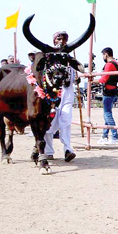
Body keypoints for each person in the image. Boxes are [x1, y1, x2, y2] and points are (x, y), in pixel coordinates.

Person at [43, 31, 79, 162]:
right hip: (51, 96)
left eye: (64, 39)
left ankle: (68, 150)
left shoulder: (69, 59)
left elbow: (77, 72)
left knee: (66, 121)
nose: (61, 41)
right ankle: (48, 151)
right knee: (48, 123)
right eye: (59, 38)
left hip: (66, 95)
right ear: (54, 41)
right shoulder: (48, 58)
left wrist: (76, 76)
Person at [98, 47, 118, 144]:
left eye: (103, 55)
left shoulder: (109, 65)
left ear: (106, 54)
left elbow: (103, 79)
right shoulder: (117, 64)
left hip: (108, 91)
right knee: (107, 114)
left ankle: (115, 136)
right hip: (113, 90)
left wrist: (93, 81)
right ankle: (104, 135)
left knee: (107, 114)